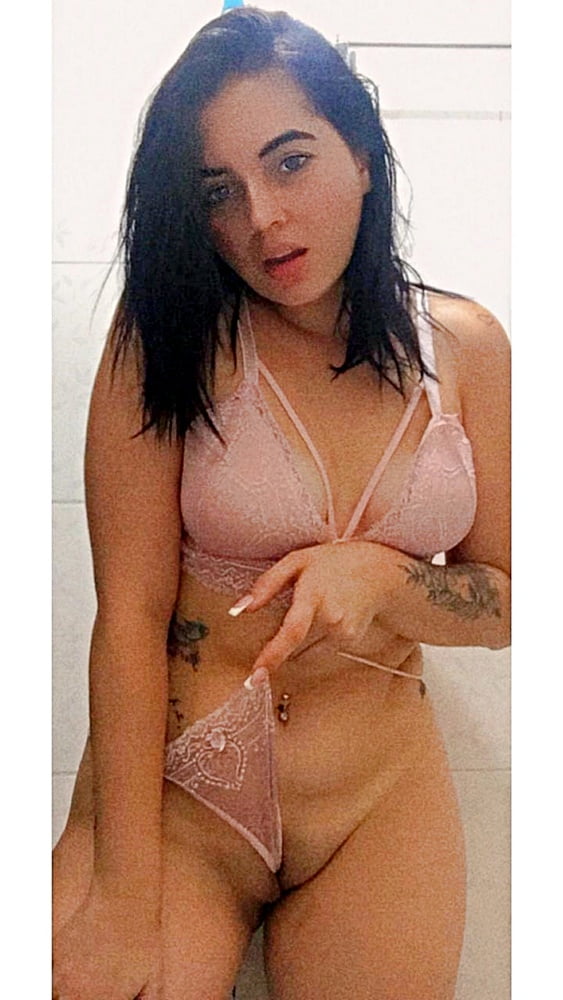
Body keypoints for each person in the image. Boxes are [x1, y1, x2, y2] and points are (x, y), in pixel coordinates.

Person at [52, 7, 510, 999]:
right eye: (218, 191)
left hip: (374, 801)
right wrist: (122, 900)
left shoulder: (467, 349)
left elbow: (513, 600)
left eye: (290, 162)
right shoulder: (165, 338)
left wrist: (383, 580)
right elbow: (127, 615)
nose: (260, 218)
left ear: (363, 156)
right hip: (180, 798)